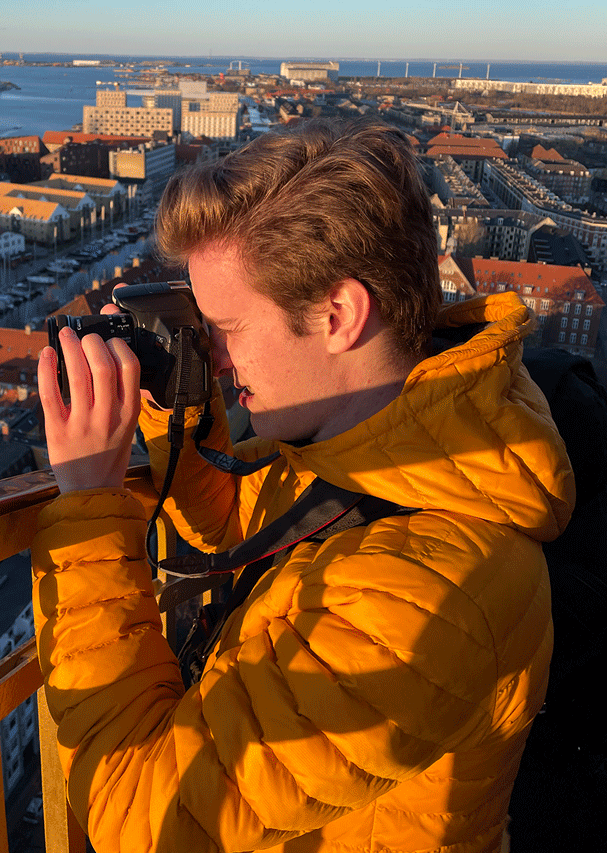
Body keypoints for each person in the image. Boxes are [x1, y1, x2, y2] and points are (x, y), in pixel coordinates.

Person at [33, 119, 574, 853]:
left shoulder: (433, 598)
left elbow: (136, 813)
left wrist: (91, 510)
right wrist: (173, 410)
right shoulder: (378, 446)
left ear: (337, 314)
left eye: (223, 326)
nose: (216, 357)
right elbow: (238, 527)